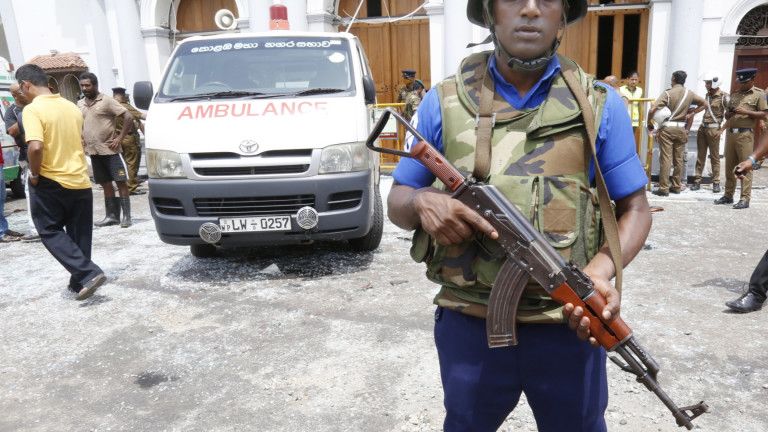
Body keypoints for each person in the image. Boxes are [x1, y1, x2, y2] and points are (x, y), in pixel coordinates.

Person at [387, 1, 652, 430]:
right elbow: (397, 199)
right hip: (470, 325)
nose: (530, 10)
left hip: (569, 326)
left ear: (563, 17)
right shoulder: (444, 101)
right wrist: (421, 203)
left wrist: (600, 272)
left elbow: (636, 210)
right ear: (490, 14)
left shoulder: (599, 105)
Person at [18, 63, 106, 300]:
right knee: (80, 234)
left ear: (26, 84)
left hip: (50, 179)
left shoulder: (33, 110)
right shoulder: (71, 107)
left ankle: (89, 272)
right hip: (79, 178)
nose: (23, 94)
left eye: (21, 89)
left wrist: (34, 176)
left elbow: (35, 147)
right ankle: (80, 282)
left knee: (48, 229)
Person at [77, 72, 135, 227]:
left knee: (121, 182)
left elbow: (128, 117)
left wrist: (119, 139)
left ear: (95, 85)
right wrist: (83, 139)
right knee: (105, 183)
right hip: (94, 152)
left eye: (87, 85)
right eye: (82, 86)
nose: (85, 88)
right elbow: (80, 123)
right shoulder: (80, 104)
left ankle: (126, 217)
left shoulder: (107, 101)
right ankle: (111, 216)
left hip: (111, 150)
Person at [714, 68, 768, 209]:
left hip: (745, 135)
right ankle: (728, 195)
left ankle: (745, 198)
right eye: (740, 82)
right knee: (729, 166)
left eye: (744, 82)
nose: (741, 85)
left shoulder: (759, 94)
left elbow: (764, 114)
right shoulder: (735, 94)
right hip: (731, 134)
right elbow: (726, 115)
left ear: (752, 80)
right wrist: (729, 114)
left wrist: (747, 112)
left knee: (745, 167)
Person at [647, 71, 708, 197]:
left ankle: (664, 188)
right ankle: (676, 186)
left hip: (668, 128)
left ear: (673, 79)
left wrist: (649, 121)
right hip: (681, 129)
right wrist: (692, 113)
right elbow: (705, 104)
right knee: (679, 159)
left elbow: (653, 109)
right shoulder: (689, 93)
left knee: (666, 159)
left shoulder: (668, 93)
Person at [4, 82, 40, 242]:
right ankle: (35, 229)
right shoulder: (11, 111)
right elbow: (11, 130)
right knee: (31, 193)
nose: (25, 93)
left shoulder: (36, 104)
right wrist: (27, 116)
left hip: (44, 151)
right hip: (26, 155)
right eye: (21, 91)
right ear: (14, 95)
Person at [691, 73, 727, 193]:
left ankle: (716, 182)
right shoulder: (707, 95)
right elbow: (703, 107)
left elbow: (732, 115)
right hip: (703, 127)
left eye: (708, 82)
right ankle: (697, 180)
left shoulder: (724, 97)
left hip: (714, 129)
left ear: (715, 83)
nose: (706, 85)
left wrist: (722, 130)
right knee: (700, 156)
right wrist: (692, 113)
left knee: (715, 157)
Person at [111, 87, 146, 196]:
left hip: (118, 138)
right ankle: (131, 188)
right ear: (123, 96)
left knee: (125, 164)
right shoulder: (125, 107)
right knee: (132, 163)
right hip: (129, 137)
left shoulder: (111, 106)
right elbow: (142, 116)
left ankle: (127, 185)